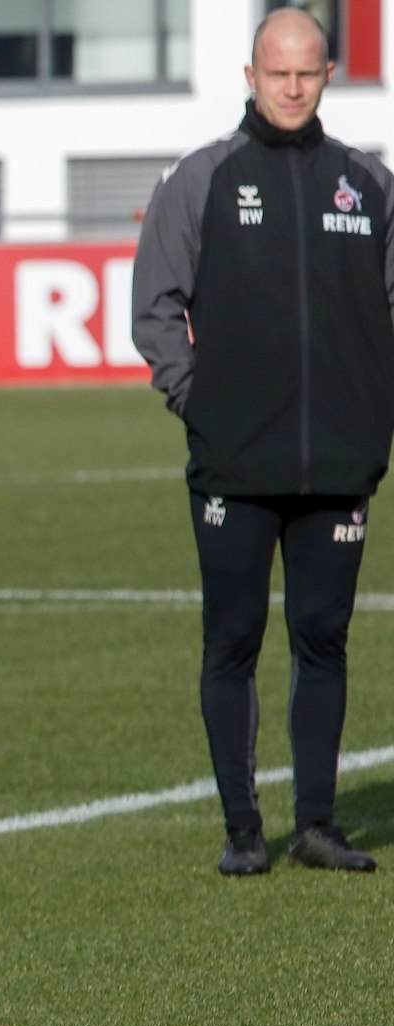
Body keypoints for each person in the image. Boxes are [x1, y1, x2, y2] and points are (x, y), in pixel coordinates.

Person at [134, 6, 394, 877]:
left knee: (324, 641)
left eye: (307, 72)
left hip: (336, 470)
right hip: (234, 469)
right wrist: (200, 400)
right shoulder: (203, 179)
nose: (291, 86)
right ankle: (244, 830)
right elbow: (155, 305)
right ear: (251, 77)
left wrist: (373, 414)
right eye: (276, 72)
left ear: (328, 77)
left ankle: (317, 824)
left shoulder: (366, 183)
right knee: (232, 642)